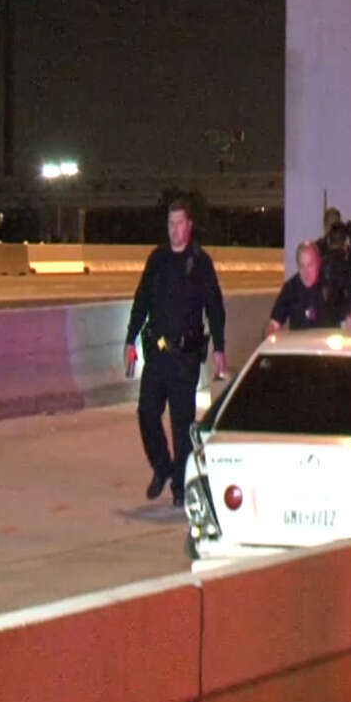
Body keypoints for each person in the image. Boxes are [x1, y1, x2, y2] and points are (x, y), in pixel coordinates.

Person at [124, 197, 228, 506]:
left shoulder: (200, 262)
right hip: (157, 354)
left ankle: (181, 485)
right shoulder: (157, 259)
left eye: (180, 223)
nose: (174, 230)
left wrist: (220, 347)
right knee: (146, 413)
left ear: (189, 225)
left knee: (182, 423)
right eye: (170, 224)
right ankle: (162, 467)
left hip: (185, 358)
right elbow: (141, 301)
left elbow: (215, 307)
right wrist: (130, 340)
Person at [265, 240, 346, 333]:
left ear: (318, 263)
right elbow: (274, 323)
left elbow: (347, 322)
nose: (306, 272)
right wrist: (270, 332)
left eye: (310, 265)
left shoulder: (331, 283)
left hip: (327, 344)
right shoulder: (290, 288)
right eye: (301, 266)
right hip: (299, 345)